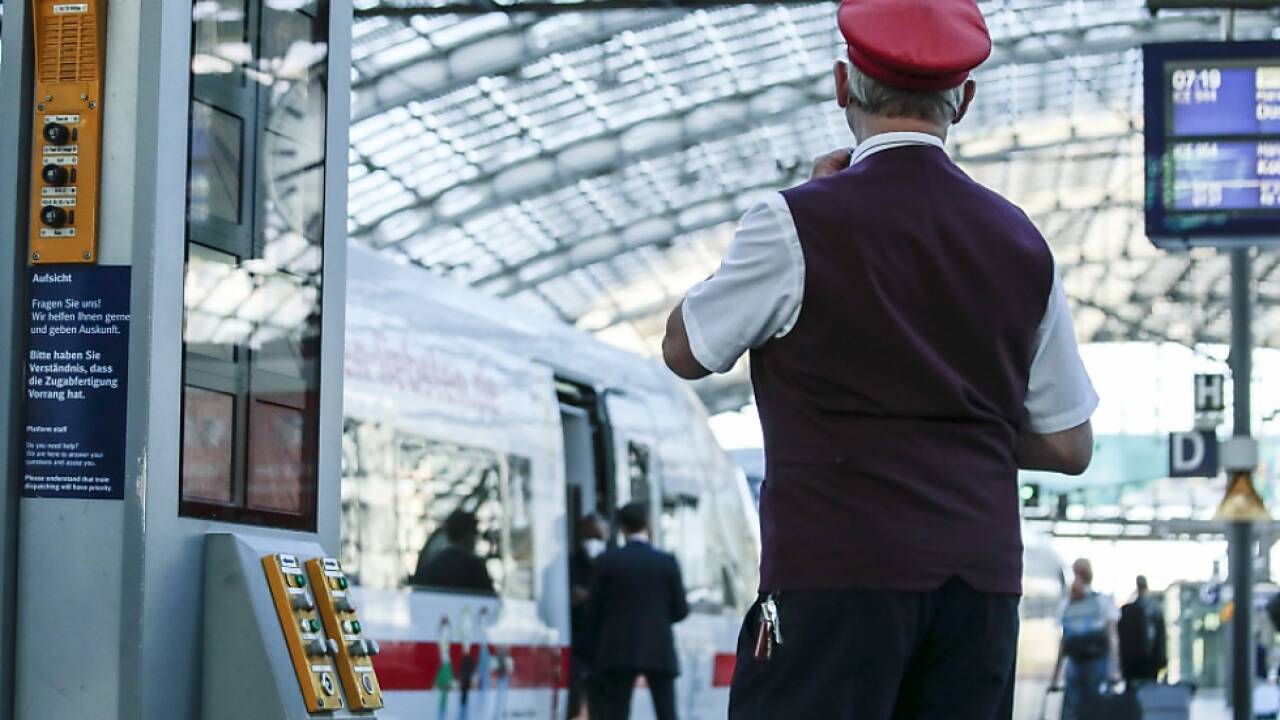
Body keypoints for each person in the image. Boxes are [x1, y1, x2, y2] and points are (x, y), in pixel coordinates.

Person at [660, 0, 1098, 716]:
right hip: (977, 596)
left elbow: (685, 349)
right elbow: (1068, 442)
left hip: (829, 585)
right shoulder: (1023, 246)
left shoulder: (797, 221)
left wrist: (810, 199)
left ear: (842, 86)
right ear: (965, 99)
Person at [587, 503, 689, 720]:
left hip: (617, 649)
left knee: (616, 712)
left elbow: (592, 610)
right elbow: (681, 610)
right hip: (658, 649)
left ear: (621, 527)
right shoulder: (666, 562)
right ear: (647, 525)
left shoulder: (607, 561)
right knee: (667, 713)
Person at [1053, 559, 1120, 720]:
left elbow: (1064, 642)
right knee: (1096, 709)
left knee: (1072, 711)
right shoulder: (1102, 602)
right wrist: (1114, 669)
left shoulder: (1067, 604)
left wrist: (1055, 676)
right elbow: (1112, 638)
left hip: (1074, 665)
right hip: (1097, 664)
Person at [569, 513, 609, 719]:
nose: (593, 542)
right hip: (578, 649)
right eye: (588, 536)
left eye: (598, 536)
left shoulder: (613, 564)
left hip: (607, 651)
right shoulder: (567, 566)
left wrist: (590, 597)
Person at [409, 509, 496, 595]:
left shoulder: (431, 565)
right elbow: (489, 599)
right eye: (475, 534)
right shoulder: (475, 567)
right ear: (468, 535)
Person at [1118, 575, 1167, 685]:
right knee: (1149, 690)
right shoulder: (1155, 609)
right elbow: (1160, 637)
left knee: (1133, 691)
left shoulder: (1127, 611)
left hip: (1131, 660)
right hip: (1150, 660)